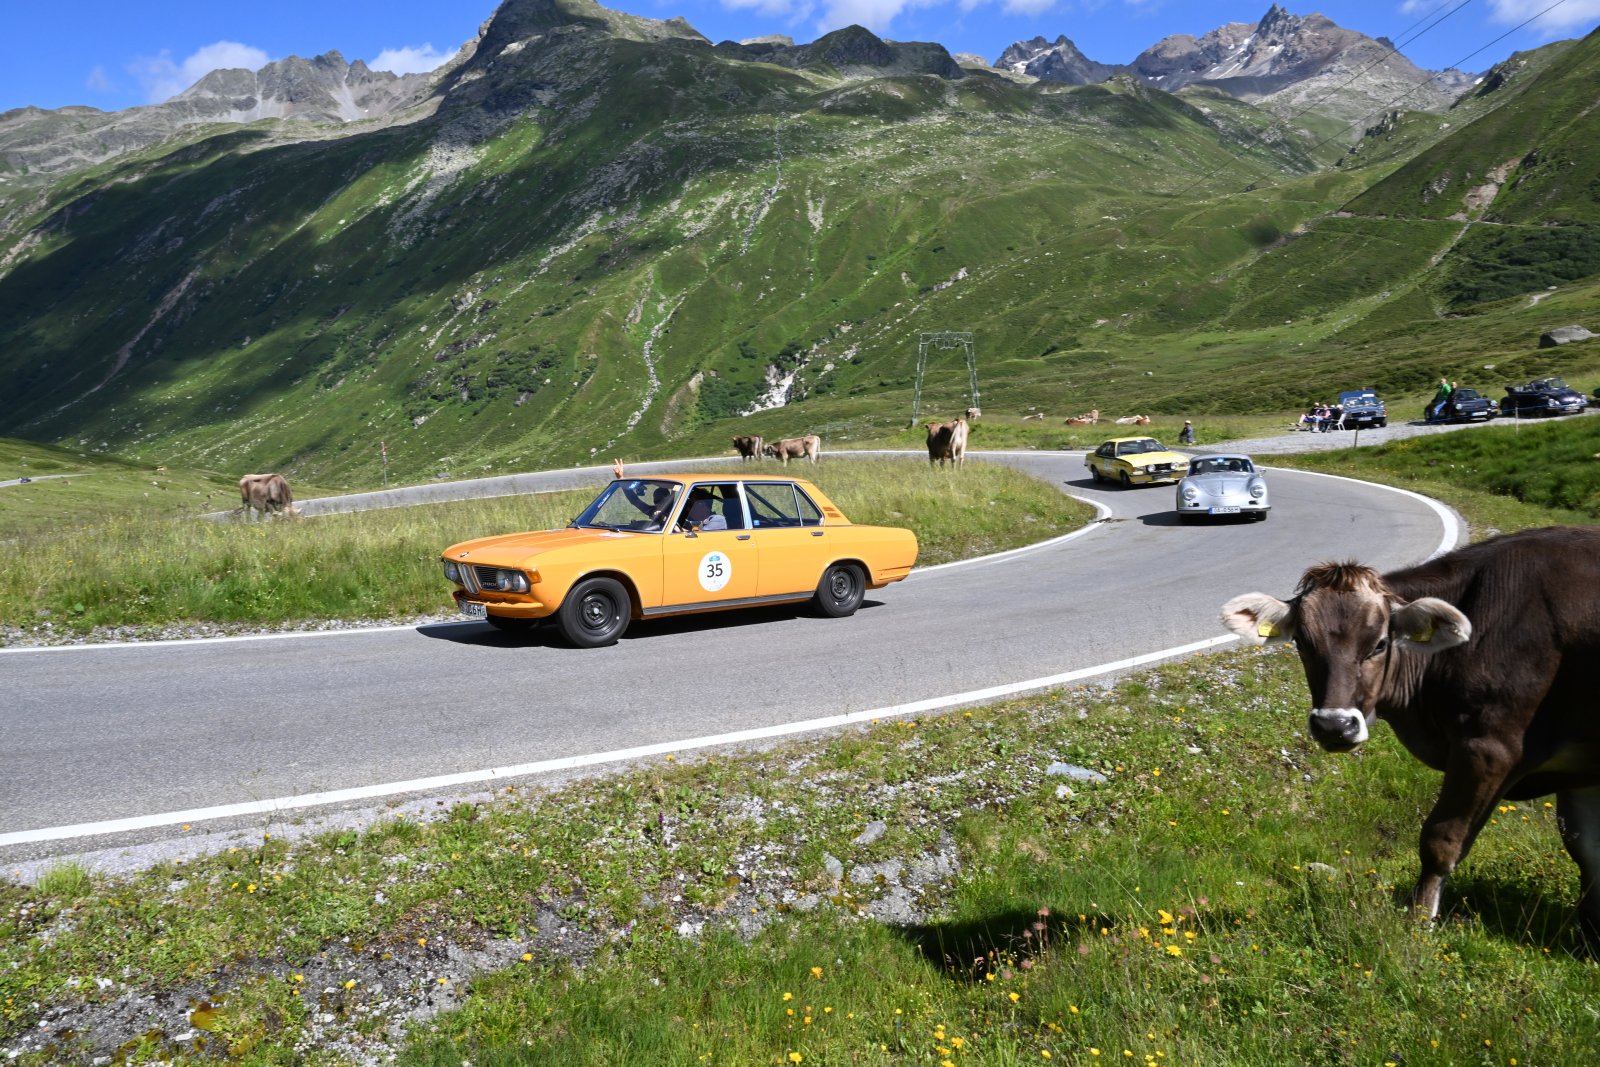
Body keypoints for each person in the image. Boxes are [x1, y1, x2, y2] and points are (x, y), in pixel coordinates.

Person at [611, 458, 674, 529]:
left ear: (669, 500)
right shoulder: (653, 511)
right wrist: (620, 478)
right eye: (656, 501)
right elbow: (634, 500)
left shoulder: (677, 511)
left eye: (661, 500)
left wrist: (664, 516)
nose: (658, 504)